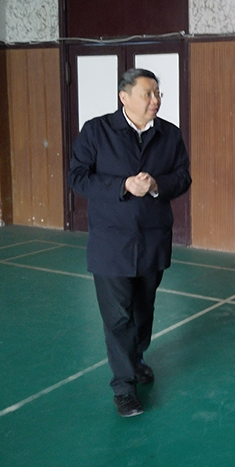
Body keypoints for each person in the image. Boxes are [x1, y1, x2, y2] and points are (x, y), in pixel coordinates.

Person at [69, 68, 191, 417]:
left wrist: (156, 185)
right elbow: (78, 177)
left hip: (152, 239)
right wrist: (123, 185)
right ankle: (123, 387)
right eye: (147, 94)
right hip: (111, 242)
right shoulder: (97, 131)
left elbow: (183, 177)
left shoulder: (169, 134)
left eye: (158, 94)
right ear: (124, 97)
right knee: (118, 316)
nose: (155, 100)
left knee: (143, 310)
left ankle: (135, 360)